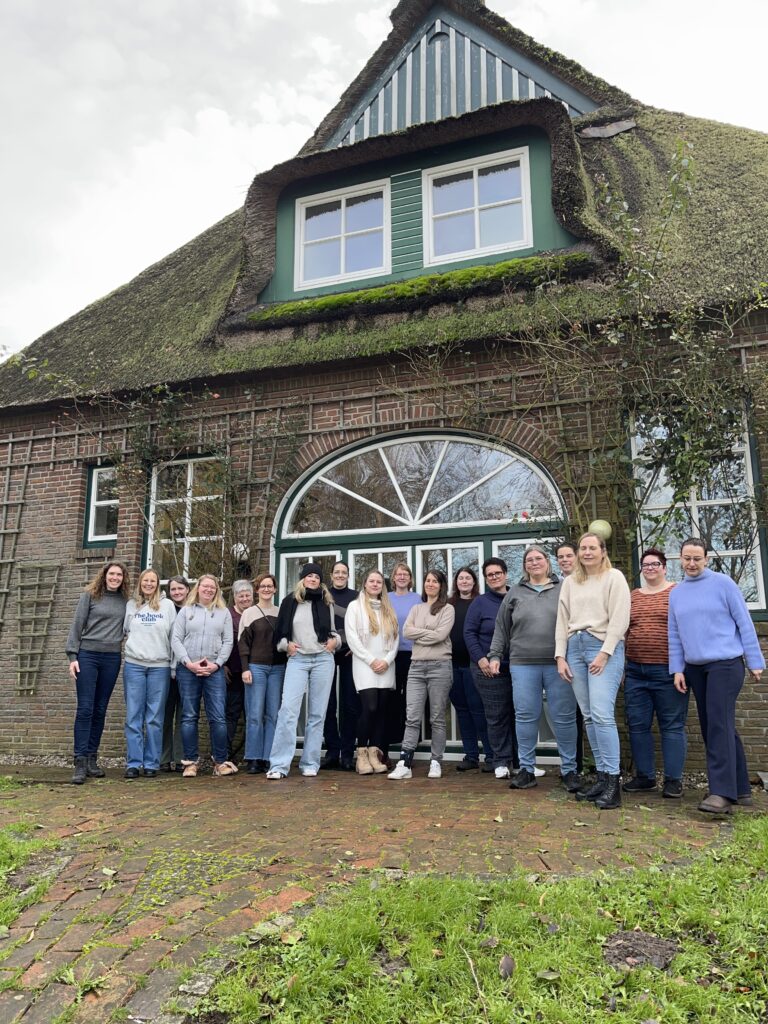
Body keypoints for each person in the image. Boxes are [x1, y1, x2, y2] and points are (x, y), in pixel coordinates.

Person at [668, 537, 765, 814]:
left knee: (718, 725)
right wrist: (677, 668)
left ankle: (722, 793)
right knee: (715, 724)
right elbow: (674, 633)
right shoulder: (677, 593)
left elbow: (744, 622)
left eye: (697, 558)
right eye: (687, 558)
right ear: (680, 559)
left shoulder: (723, 584)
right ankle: (741, 788)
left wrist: (755, 660)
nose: (691, 563)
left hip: (725, 664)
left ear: (706, 559)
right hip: (695, 668)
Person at [489, 546, 581, 792]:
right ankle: (527, 770)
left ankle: (570, 770)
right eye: (529, 560)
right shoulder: (515, 592)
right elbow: (501, 627)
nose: (534, 562)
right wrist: (495, 655)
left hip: (558, 663)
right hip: (523, 664)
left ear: (547, 562)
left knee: (564, 717)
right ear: (524, 565)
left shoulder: (564, 588)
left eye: (538, 558)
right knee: (525, 716)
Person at [556, 532, 630, 810]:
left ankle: (613, 783)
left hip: (602, 647)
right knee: (588, 716)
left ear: (602, 551)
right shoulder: (570, 582)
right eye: (583, 548)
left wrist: (605, 652)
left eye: (592, 548)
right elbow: (562, 620)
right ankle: (601, 777)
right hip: (574, 648)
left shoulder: (614, 578)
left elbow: (620, 618)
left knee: (601, 714)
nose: (587, 552)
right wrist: (560, 655)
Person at [623, 548, 688, 798]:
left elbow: (686, 630)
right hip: (635, 671)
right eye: (645, 565)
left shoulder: (677, 593)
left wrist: (680, 668)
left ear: (665, 567)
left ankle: (673, 780)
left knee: (671, 725)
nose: (650, 568)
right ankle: (645, 777)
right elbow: (624, 631)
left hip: (668, 672)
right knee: (638, 725)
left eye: (655, 564)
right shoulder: (633, 596)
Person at [267, 564, 340, 779]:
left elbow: (333, 631)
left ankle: (310, 762)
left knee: (317, 714)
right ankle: (279, 765)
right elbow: (280, 634)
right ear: (302, 579)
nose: (313, 579)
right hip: (298, 659)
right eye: (309, 576)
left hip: (323, 659)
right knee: (288, 711)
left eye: (317, 576)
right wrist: (286, 645)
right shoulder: (290, 601)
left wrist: (335, 642)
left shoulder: (326, 602)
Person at [66, 562, 130, 785]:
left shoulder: (126, 601)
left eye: (119, 574)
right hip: (88, 656)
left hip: (111, 658)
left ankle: (92, 758)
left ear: (123, 578)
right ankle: (80, 760)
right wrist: (72, 657)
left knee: (100, 709)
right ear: (104, 575)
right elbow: (77, 625)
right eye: (111, 574)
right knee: (85, 708)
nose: (115, 578)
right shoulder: (90, 596)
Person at [389, 570, 455, 780]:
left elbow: (441, 636)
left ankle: (436, 761)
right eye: (428, 580)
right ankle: (405, 763)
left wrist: (421, 634)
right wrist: (430, 633)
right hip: (416, 667)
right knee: (412, 717)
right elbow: (406, 632)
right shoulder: (416, 608)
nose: (430, 584)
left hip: (440, 666)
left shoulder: (447, 609)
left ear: (441, 585)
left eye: (435, 581)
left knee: (437, 718)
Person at [172, 574, 235, 778]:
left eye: (212, 587)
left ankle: (220, 762)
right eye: (205, 586)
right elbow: (176, 639)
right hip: (188, 670)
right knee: (189, 716)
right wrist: (188, 663)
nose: (208, 590)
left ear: (217, 590)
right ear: (197, 588)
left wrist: (217, 664)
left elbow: (228, 641)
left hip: (214, 670)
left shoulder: (223, 613)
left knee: (218, 717)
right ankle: (190, 762)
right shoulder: (186, 611)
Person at [464, 557, 518, 779]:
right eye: (490, 575)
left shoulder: (517, 597)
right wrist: (480, 659)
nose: (494, 577)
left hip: (518, 666)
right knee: (497, 716)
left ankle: (521, 762)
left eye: (498, 573)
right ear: (486, 579)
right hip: (488, 669)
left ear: (505, 574)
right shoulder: (480, 602)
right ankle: (501, 761)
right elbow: (469, 633)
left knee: (520, 714)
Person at [123, 568, 175, 779]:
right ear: (140, 583)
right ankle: (134, 763)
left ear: (157, 584)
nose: (149, 584)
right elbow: (125, 631)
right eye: (145, 580)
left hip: (160, 667)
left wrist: (173, 666)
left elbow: (173, 637)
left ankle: (152, 763)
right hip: (134, 665)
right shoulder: (131, 605)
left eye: (153, 581)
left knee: (154, 717)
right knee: (133, 715)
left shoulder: (167, 605)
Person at [344, 570, 398, 774]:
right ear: (365, 584)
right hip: (365, 664)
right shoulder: (355, 607)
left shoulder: (388, 609)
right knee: (370, 707)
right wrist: (371, 660)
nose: (375, 584)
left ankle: (375, 755)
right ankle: (362, 755)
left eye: (379, 582)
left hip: (386, 665)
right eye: (371, 581)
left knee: (382, 710)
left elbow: (396, 637)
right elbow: (352, 638)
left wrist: (387, 660)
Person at [238, 573, 285, 774]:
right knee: (255, 714)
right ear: (257, 590)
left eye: (270, 586)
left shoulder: (281, 612)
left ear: (275, 589)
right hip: (256, 667)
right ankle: (253, 757)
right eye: (262, 586)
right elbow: (242, 644)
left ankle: (269, 756)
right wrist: (245, 668)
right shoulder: (249, 613)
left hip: (277, 668)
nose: (266, 589)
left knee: (273, 714)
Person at [448, 567, 493, 772]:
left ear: (474, 582)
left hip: (474, 665)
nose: (464, 581)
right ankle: (471, 755)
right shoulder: (449, 604)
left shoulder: (481, 602)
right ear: (456, 582)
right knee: (462, 710)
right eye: (461, 578)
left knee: (478, 710)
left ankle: (491, 755)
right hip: (452, 665)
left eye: (468, 578)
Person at [320, 562, 359, 771]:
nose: (340, 575)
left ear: (348, 575)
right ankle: (332, 751)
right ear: (331, 575)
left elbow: (362, 623)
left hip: (349, 654)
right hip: (326, 653)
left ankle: (347, 753)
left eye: (344, 572)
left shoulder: (356, 596)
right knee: (327, 704)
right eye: (337, 572)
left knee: (350, 704)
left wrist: (356, 645)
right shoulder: (323, 595)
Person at [386, 563, 423, 753]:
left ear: (410, 578)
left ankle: (412, 740)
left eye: (405, 574)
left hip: (413, 654)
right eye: (398, 574)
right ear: (393, 578)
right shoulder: (386, 598)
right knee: (392, 696)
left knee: (412, 698)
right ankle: (393, 736)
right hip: (390, 655)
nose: (401, 577)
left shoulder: (417, 598)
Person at [556, 541, 584, 772]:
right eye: (560, 557)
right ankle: (571, 765)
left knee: (585, 712)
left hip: (583, 651)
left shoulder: (586, 582)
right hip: (561, 653)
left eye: (568, 556)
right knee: (566, 711)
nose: (565, 560)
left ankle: (580, 765)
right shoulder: (556, 585)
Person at [160, 575, 189, 773]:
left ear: (187, 589)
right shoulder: (165, 610)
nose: (177, 592)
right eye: (173, 589)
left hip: (187, 668)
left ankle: (181, 758)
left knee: (184, 715)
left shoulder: (194, 610)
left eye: (180, 588)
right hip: (166, 668)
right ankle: (163, 758)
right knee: (164, 714)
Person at [224, 579, 254, 763]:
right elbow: (220, 640)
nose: (244, 599)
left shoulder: (256, 613)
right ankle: (224, 754)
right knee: (231, 713)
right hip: (233, 673)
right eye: (241, 596)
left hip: (254, 672)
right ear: (234, 597)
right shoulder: (227, 615)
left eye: (247, 595)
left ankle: (252, 755)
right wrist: (222, 665)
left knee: (253, 714)